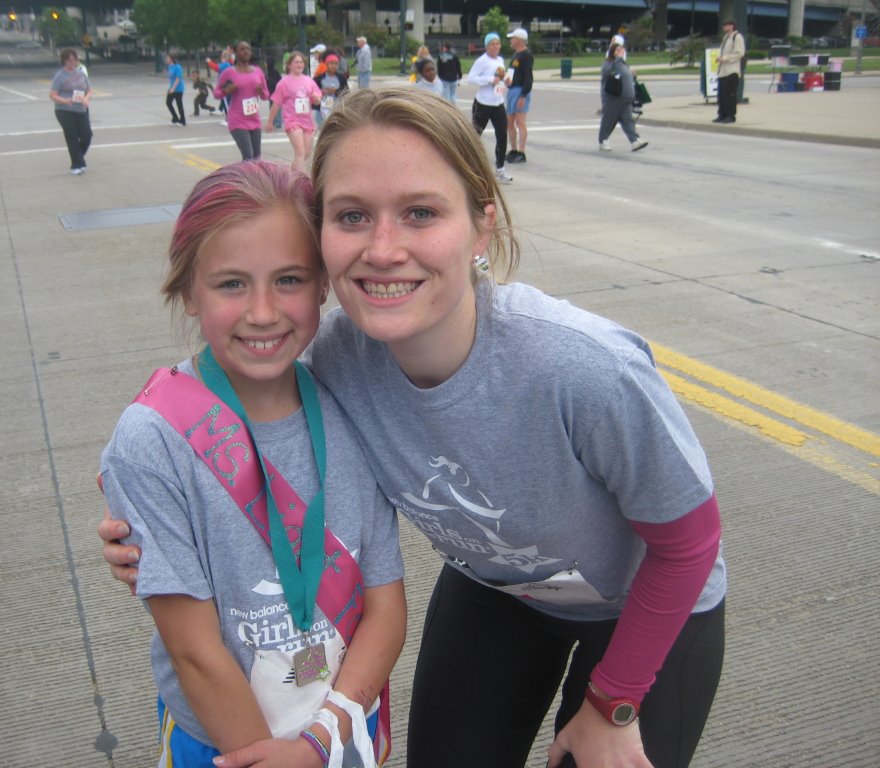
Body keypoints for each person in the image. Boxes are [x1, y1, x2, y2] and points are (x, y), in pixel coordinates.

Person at [102, 88, 726, 768]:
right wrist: (151, 533)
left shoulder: (582, 369)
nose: (384, 248)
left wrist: (615, 703)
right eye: (351, 216)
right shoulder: (330, 357)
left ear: (482, 225)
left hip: (649, 603)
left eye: (421, 213)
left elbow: (690, 544)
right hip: (499, 589)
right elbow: (216, 388)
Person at [101, 160, 406, 768]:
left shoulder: (354, 403)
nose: (263, 313)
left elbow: (386, 605)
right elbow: (195, 652)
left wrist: (321, 743)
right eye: (231, 284)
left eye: (289, 280)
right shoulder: (153, 439)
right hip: (221, 740)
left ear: (323, 283)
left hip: (341, 721)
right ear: (189, 290)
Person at [466, 32, 512, 183]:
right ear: (487, 46)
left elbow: (501, 78)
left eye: (498, 43)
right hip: (483, 103)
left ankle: (500, 168)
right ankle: (467, 165)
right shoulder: (482, 61)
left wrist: (505, 81)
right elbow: (471, 78)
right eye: (493, 44)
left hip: (498, 102)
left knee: (502, 135)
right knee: (475, 134)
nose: (496, 46)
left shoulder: (500, 60)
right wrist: (490, 79)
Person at [213, 41, 269, 162]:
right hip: (237, 119)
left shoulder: (258, 71)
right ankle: (246, 180)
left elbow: (266, 95)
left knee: (257, 158)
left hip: (254, 118)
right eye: (242, 49)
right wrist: (226, 91)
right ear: (236, 53)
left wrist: (261, 92)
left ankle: (255, 181)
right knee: (248, 157)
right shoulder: (229, 72)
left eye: (248, 49)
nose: (246, 51)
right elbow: (216, 93)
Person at [267, 51, 321, 170]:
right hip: (292, 121)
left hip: (307, 121)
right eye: (296, 62)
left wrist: (316, 98)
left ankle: (291, 172)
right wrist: (270, 121)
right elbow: (276, 103)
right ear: (289, 65)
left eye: (301, 62)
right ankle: (300, 181)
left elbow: (317, 99)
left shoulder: (309, 81)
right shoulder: (284, 82)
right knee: (300, 151)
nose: (299, 64)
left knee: (306, 153)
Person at [48, 49, 93, 175]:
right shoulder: (60, 76)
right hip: (64, 110)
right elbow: (52, 94)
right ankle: (76, 165)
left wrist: (86, 98)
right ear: (64, 61)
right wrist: (64, 100)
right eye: (69, 60)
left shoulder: (81, 74)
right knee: (72, 136)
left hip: (81, 109)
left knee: (87, 135)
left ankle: (78, 158)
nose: (72, 62)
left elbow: (89, 90)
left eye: (74, 60)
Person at [599, 43, 648, 153]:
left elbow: (625, 76)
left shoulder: (623, 64)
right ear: (612, 52)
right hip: (614, 97)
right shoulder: (609, 63)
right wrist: (617, 60)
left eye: (622, 50)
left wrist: (632, 75)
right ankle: (603, 141)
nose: (621, 52)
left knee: (628, 120)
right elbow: (609, 73)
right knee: (609, 119)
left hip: (627, 98)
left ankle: (635, 141)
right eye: (618, 50)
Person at [504, 28, 534, 164]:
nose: (511, 40)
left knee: (520, 121)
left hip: (520, 90)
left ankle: (522, 152)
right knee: (509, 122)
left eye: (513, 38)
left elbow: (528, 77)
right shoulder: (516, 55)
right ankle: (513, 149)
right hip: (511, 89)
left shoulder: (526, 55)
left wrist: (523, 95)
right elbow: (512, 72)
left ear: (519, 40)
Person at [715, 19, 745, 124]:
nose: (724, 27)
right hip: (722, 71)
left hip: (731, 71)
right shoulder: (726, 38)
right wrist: (720, 58)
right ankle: (721, 114)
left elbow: (740, 53)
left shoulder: (737, 37)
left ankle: (730, 115)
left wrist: (726, 58)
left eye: (726, 25)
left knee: (730, 95)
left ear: (731, 26)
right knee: (722, 95)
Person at [313, 53, 348, 126]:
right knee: (322, 127)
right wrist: (323, 92)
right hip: (322, 108)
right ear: (326, 64)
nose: (334, 66)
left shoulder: (341, 78)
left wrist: (336, 91)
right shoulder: (319, 79)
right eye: (331, 63)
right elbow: (313, 92)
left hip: (336, 108)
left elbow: (346, 92)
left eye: (336, 64)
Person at [165, 53, 186, 126]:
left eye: (167, 58)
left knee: (179, 104)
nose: (166, 59)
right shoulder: (170, 67)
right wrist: (171, 88)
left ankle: (183, 120)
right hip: (172, 88)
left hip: (178, 89)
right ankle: (175, 118)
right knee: (168, 102)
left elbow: (178, 79)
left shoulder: (178, 67)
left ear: (171, 59)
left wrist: (173, 88)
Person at [264, 57, 283, 129]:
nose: (265, 64)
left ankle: (278, 122)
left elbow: (275, 83)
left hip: (276, 93)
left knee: (277, 108)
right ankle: (274, 122)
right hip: (271, 94)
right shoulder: (268, 72)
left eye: (266, 63)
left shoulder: (274, 72)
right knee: (272, 108)